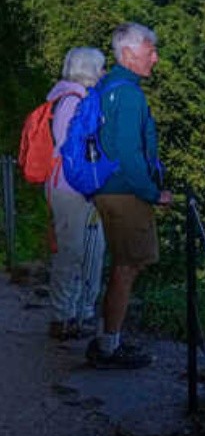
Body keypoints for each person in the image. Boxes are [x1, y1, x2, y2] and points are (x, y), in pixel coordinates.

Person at [86, 22, 172, 369]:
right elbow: (129, 154)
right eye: (150, 50)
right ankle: (109, 347)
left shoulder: (108, 86)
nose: (156, 57)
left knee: (124, 264)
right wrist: (153, 194)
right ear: (128, 53)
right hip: (125, 193)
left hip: (107, 189)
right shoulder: (130, 94)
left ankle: (110, 338)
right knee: (128, 266)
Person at [46, 47, 107, 341]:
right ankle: (63, 317)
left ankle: (76, 314)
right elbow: (71, 147)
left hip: (72, 186)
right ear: (89, 70)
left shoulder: (69, 98)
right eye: (100, 67)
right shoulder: (74, 101)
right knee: (73, 252)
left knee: (85, 251)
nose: (103, 73)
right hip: (72, 187)